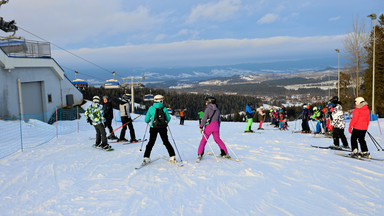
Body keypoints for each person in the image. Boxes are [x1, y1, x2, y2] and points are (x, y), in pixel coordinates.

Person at [142, 95, 176, 165]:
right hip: (163, 128)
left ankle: (146, 157)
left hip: (153, 128)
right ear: (161, 101)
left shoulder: (151, 108)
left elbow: (146, 120)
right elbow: (168, 118)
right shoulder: (164, 108)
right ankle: (172, 156)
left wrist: (150, 120)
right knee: (166, 141)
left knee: (151, 142)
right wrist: (165, 122)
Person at [197, 96, 230, 160]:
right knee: (218, 139)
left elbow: (204, 119)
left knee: (204, 140)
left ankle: (200, 153)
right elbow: (219, 120)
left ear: (209, 102)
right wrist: (218, 127)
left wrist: (201, 126)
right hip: (216, 126)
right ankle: (225, 153)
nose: (206, 103)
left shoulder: (208, 109)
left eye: (206, 101)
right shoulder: (217, 109)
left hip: (209, 126)